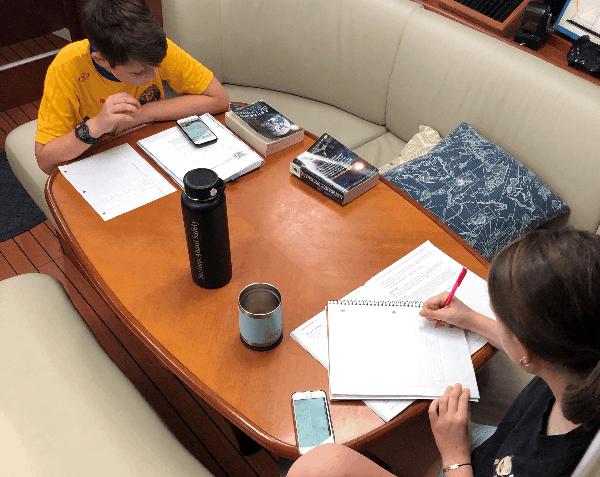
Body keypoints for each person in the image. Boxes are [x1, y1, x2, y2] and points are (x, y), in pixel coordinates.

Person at [286, 228, 600, 477]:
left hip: (467, 463)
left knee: (320, 465)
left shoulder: (556, 464)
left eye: (500, 318)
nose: (494, 320)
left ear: (529, 350)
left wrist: (455, 457)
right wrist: (472, 320)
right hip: (495, 449)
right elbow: (537, 353)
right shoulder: (579, 363)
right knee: (377, 429)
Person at [34, 0, 229, 174]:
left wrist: (144, 113)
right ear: (101, 60)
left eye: (158, 67)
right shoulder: (67, 67)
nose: (152, 76)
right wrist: (97, 125)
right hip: (97, 162)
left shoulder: (150, 50)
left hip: (151, 148)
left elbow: (219, 99)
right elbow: (45, 161)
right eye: (138, 73)